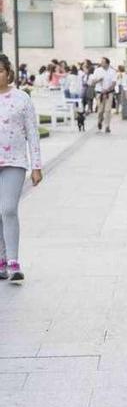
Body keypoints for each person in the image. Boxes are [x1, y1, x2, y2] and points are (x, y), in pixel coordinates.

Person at [0, 54, 43, 283]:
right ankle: (1, 260)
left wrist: (36, 166)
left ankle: (14, 262)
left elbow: (32, 133)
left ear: (8, 73)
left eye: (0, 70)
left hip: (14, 162)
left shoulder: (21, 98)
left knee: (7, 209)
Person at [89, 57, 116, 133]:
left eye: (103, 62)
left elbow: (114, 83)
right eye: (101, 62)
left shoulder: (112, 71)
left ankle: (107, 126)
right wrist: (98, 80)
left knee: (108, 110)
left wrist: (107, 90)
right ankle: (100, 121)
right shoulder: (97, 70)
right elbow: (92, 83)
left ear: (107, 63)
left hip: (109, 93)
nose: (101, 63)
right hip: (99, 93)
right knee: (100, 110)